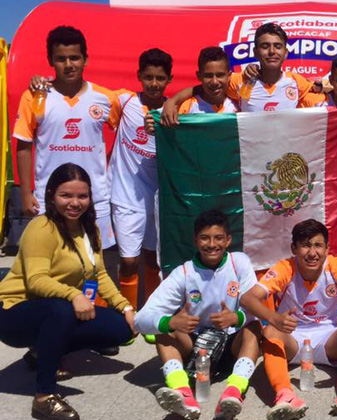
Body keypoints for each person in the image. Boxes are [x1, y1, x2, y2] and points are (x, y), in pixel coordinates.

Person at [0, 163, 135, 420]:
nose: (75, 203)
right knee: (61, 310)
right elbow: (37, 280)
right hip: (13, 312)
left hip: (54, 309)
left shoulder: (89, 228)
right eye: (66, 195)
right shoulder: (42, 228)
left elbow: (99, 275)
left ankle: (42, 351)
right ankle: (44, 396)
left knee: (122, 329)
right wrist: (74, 295)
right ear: (51, 195)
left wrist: (125, 307)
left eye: (82, 196)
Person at [239, 219, 337, 419]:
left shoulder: (336, 265)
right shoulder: (285, 268)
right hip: (293, 338)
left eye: (318, 245)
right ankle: (285, 396)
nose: (312, 253)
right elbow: (247, 298)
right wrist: (274, 317)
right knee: (270, 330)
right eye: (305, 245)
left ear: (327, 248)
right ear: (294, 249)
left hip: (329, 338)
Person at [134, 210, 261, 420]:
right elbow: (139, 320)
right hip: (195, 347)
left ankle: (234, 391)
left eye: (218, 238)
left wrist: (236, 317)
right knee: (163, 331)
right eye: (204, 238)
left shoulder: (239, 262)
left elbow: (255, 306)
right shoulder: (183, 273)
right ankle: (182, 391)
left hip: (231, 344)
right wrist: (171, 322)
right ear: (195, 240)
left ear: (228, 240)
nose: (212, 244)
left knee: (254, 328)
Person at [14, 26, 119, 252]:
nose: (69, 64)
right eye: (61, 59)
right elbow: (23, 145)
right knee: (50, 259)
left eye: (75, 58)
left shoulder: (106, 98)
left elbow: (126, 134)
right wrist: (25, 193)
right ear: (50, 60)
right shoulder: (34, 96)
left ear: (85, 59)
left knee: (95, 261)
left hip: (94, 199)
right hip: (49, 199)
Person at [109, 48, 172, 309]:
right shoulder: (124, 101)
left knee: (152, 259)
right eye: (148, 77)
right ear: (139, 76)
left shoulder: (175, 109)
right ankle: (128, 314)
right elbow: (85, 94)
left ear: (169, 79)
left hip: (158, 199)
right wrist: (45, 83)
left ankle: (150, 313)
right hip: (126, 195)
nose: (154, 84)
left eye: (160, 78)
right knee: (128, 261)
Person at [160, 22, 316, 123]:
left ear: (286, 53)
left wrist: (322, 85)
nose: (271, 51)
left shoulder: (297, 82)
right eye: (265, 46)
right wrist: (172, 102)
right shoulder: (240, 80)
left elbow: (322, 93)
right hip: (251, 158)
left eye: (277, 46)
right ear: (255, 52)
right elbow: (204, 88)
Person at [177, 47, 239, 114]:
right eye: (208, 76)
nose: (214, 82)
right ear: (199, 76)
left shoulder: (239, 104)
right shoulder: (187, 108)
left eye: (220, 75)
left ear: (229, 75)